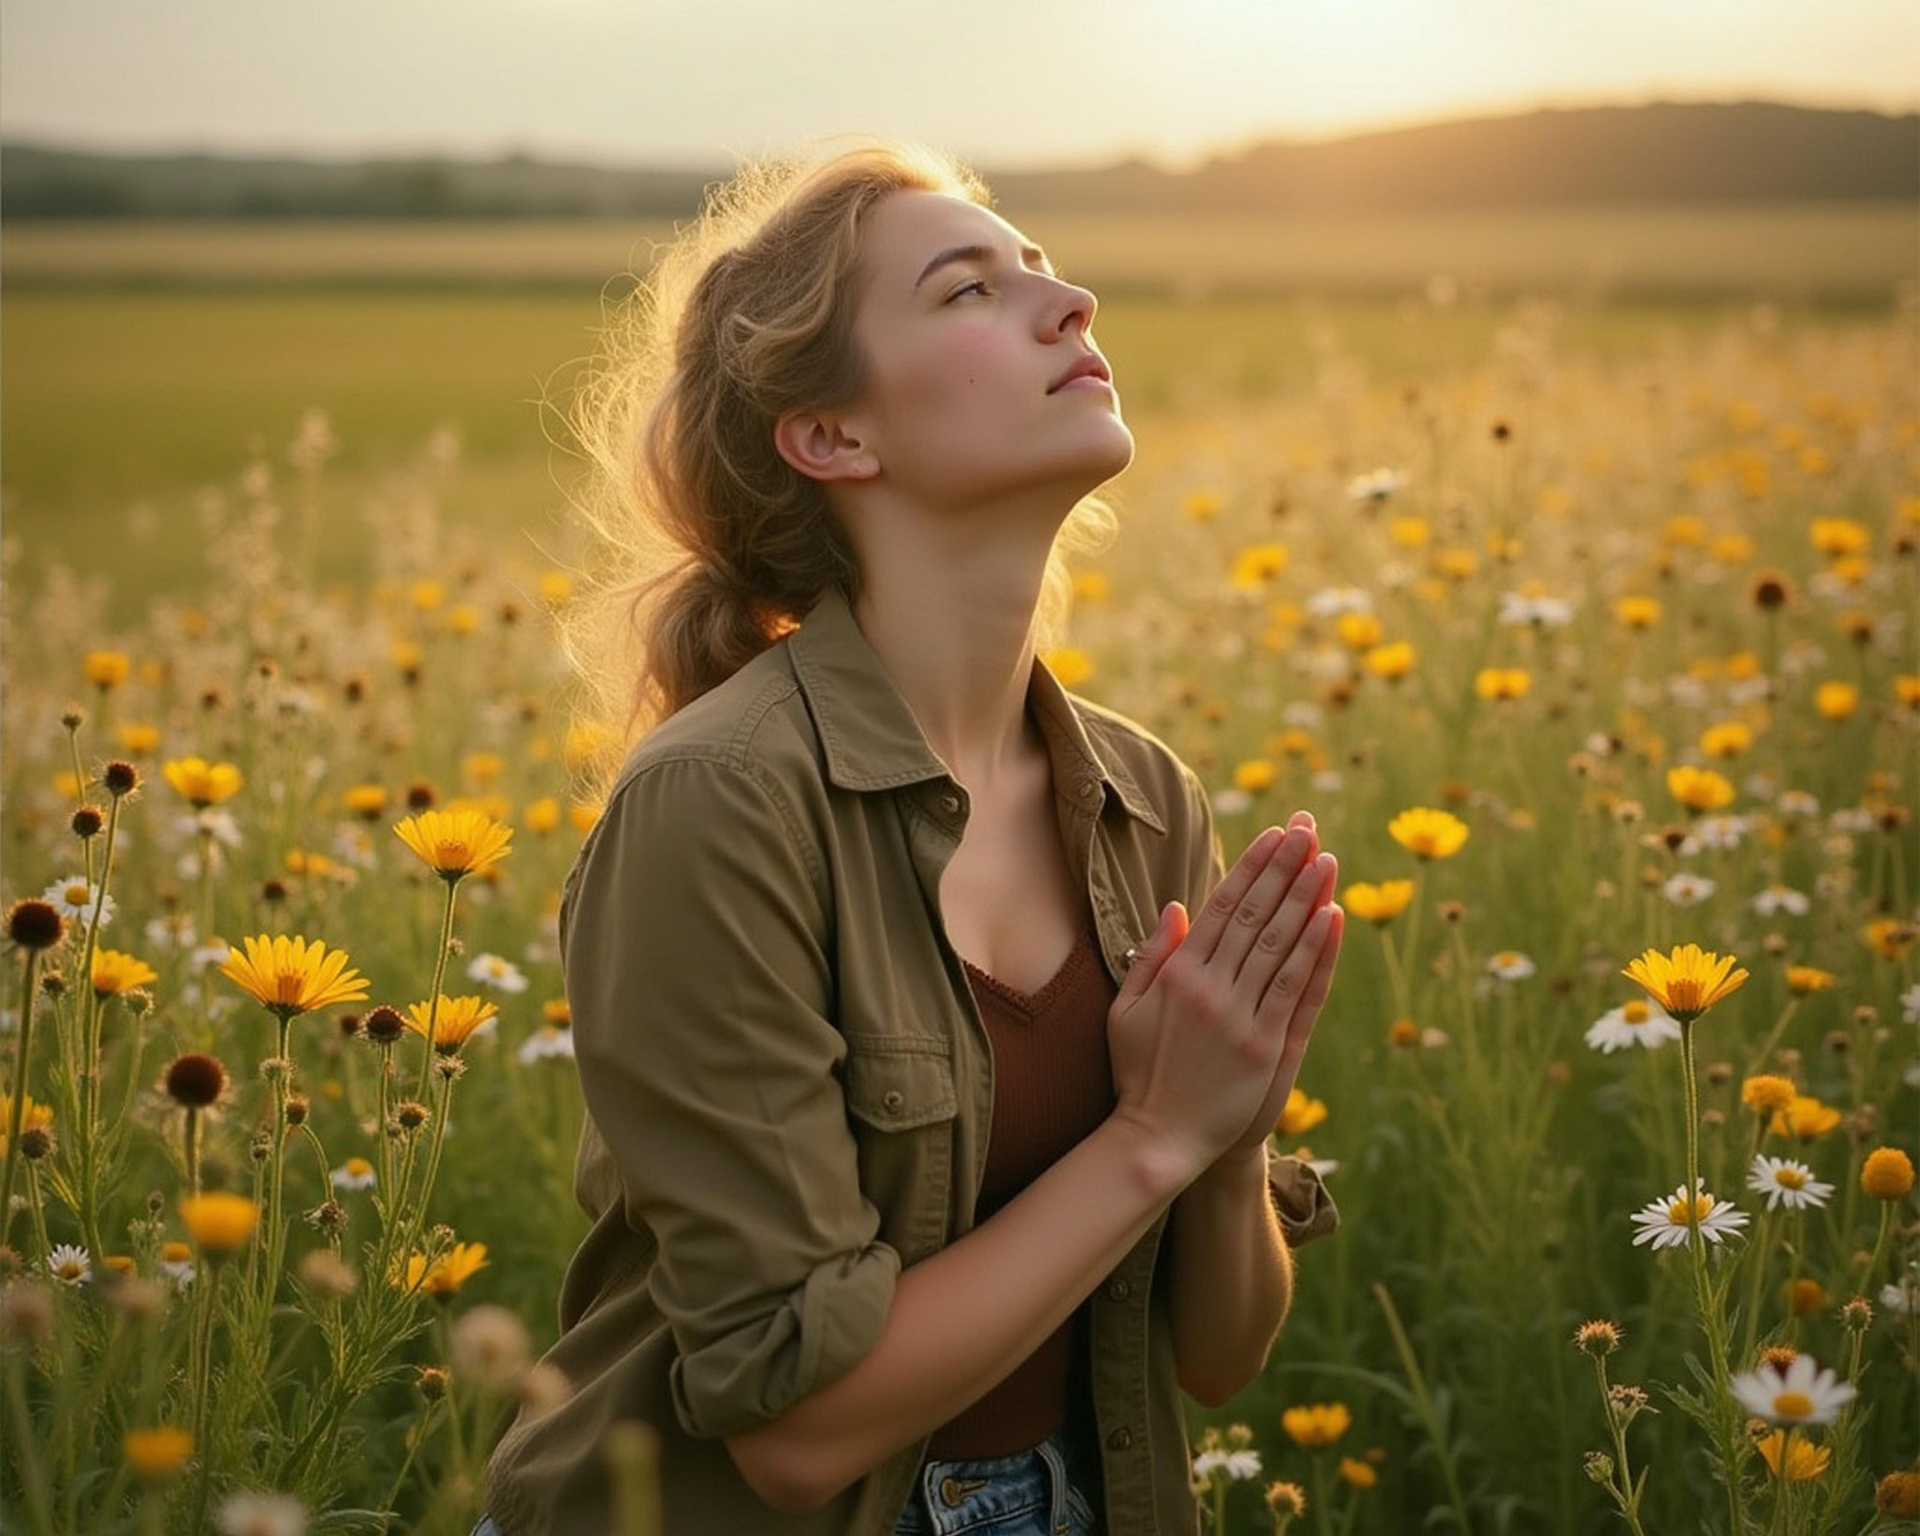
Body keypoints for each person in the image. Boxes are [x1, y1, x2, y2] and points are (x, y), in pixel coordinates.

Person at [478, 136, 1345, 1536]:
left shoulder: (1143, 797)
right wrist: (1150, 1132)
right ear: (834, 437)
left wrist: (1229, 1138)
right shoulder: (721, 802)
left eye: (1047, 274)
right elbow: (797, 1435)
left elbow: (1218, 1356)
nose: (1070, 307)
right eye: (968, 291)